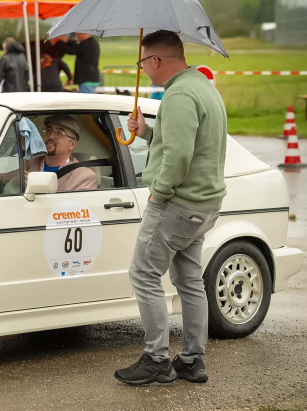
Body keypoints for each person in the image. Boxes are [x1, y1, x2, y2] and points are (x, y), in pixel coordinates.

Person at [113, 30, 227, 386]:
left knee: (143, 275)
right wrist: (147, 131)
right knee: (189, 280)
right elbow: (190, 142)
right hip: (204, 206)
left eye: (142, 62)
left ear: (155, 60)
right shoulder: (203, 86)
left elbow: (179, 156)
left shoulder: (178, 94)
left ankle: (156, 359)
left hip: (175, 204)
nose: (143, 70)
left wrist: (157, 194)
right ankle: (192, 360)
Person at [25, 113, 97, 192]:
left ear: (72, 145)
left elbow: (76, 204)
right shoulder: (27, 162)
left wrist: (39, 190)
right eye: (48, 130)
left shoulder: (84, 177)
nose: (51, 136)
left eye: (59, 133)